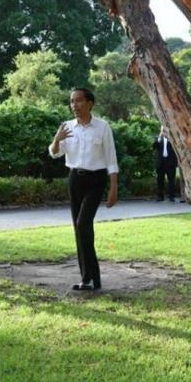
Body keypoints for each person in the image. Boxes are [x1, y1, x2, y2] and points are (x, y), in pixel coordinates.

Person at [49, 88, 119, 291]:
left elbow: (111, 159)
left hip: (96, 180)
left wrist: (113, 188)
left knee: (82, 224)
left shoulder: (103, 127)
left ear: (90, 103)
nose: (74, 105)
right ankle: (89, 278)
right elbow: (54, 153)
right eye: (72, 101)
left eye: (78, 101)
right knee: (80, 229)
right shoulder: (67, 127)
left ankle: (91, 276)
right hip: (74, 179)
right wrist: (56, 139)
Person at [153, 126, 178, 202]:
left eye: (165, 130)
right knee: (160, 180)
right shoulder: (159, 139)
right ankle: (160, 196)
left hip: (170, 163)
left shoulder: (173, 139)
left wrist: (170, 137)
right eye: (163, 130)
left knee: (171, 181)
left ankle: (171, 196)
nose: (164, 132)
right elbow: (154, 146)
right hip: (161, 163)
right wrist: (160, 136)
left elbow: (176, 147)